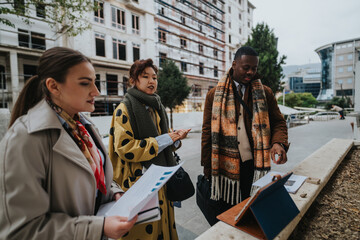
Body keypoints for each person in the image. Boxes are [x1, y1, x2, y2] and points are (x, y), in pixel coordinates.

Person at [0, 47, 137, 239]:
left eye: (95, 82)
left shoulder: (83, 126)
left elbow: (94, 176)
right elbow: (22, 230)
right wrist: (98, 228)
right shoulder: (24, 138)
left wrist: (114, 193)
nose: (96, 91)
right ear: (54, 86)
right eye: (84, 83)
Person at [201, 46, 289, 225]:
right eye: (246, 67)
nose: (250, 72)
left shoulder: (265, 92)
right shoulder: (213, 95)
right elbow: (207, 133)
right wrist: (208, 169)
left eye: (254, 68)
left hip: (254, 167)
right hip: (224, 168)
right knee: (228, 216)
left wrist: (278, 142)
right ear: (234, 64)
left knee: (254, 214)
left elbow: (279, 122)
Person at [109, 58, 190, 240]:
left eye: (154, 77)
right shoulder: (125, 108)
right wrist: (165, 139)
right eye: (145, 76)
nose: (151, 81)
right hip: (139, 183)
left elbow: (162, 139)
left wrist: (175, 139)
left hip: (160, 178)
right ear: (133, 80)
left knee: (163, 227)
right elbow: (125, 148)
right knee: (146, 231)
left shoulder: (156, 106)